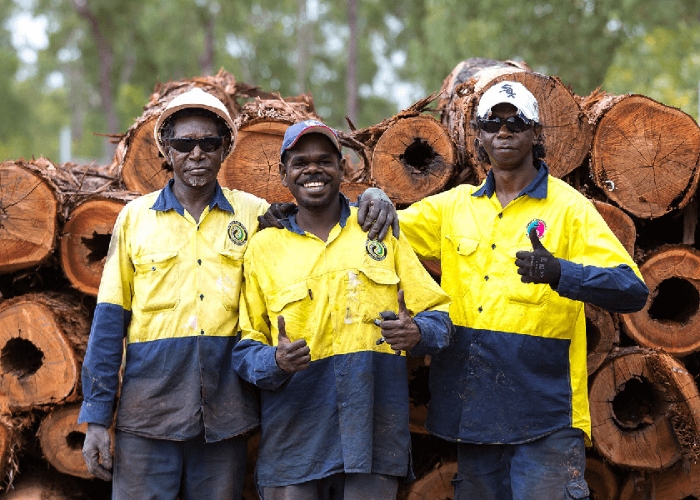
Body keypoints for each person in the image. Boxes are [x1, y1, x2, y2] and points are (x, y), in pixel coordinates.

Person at [78, 89, 397, 499]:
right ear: (166, 151)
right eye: (184, 143)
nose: (197, 154)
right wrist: (98, 420)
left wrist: (373, 197)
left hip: (225, 420)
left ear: (225, 148)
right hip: (148, 416)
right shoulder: (134, 220)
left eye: (209, 143)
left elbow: (317, 211)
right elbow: (108, 325)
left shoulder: (254, 214)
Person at [394, 81, 649, 499]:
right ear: (479, 137)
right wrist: (304, 214)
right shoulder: (454, 207)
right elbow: (381, 232)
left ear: (536, 135)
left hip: (546, 417)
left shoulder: (568, 209)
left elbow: (632, 288)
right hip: (473, 413)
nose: (504, 132)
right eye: (493, 124)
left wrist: (560, 272)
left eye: (516, 123)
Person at [232, 119, 454, 500]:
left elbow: (440, 317)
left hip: (371, 440)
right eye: (300, 163)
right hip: (295, 443)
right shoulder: (263, 249)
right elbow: (245, 347)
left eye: (324, 160)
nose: (312, 169)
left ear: (342, 167)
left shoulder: (377, 231)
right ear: (284, 175)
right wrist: (276, 362)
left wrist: (417, 332)